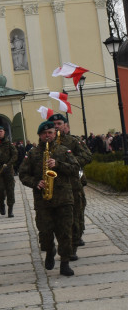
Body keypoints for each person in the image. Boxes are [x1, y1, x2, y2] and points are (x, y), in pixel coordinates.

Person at [19, 120, 79, 276]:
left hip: (64, 199)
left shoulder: (64, 151)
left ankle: (65, 262)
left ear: (55, 133)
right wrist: (35, 182)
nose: (47, 135)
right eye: (44, 133)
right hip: (43, 200)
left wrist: (58, 164)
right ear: (39, 135)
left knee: (65, 232)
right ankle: (50, 250)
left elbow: (75, 169)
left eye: (50, 132)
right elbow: (23, 174)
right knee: (45, 232)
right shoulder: (32, 153)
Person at [47, 113, 92, 254]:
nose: (56, 126)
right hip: (54, 185)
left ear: (66, 125)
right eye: (54, 125)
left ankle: (74, 242)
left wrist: (67, 162)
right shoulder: (47, 143)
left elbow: (87, 156)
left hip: (73, 182)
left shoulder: (73, 141)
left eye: (59, 124)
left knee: (76, 213)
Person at [0, 125, 17, 217]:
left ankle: (10, 209)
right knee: (0, 190)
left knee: (10, 190)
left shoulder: (9, 143)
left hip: (8, 169)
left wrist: (9, 164)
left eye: (1, 131)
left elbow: (15, 155)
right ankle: (1, 204)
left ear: (4, 132)